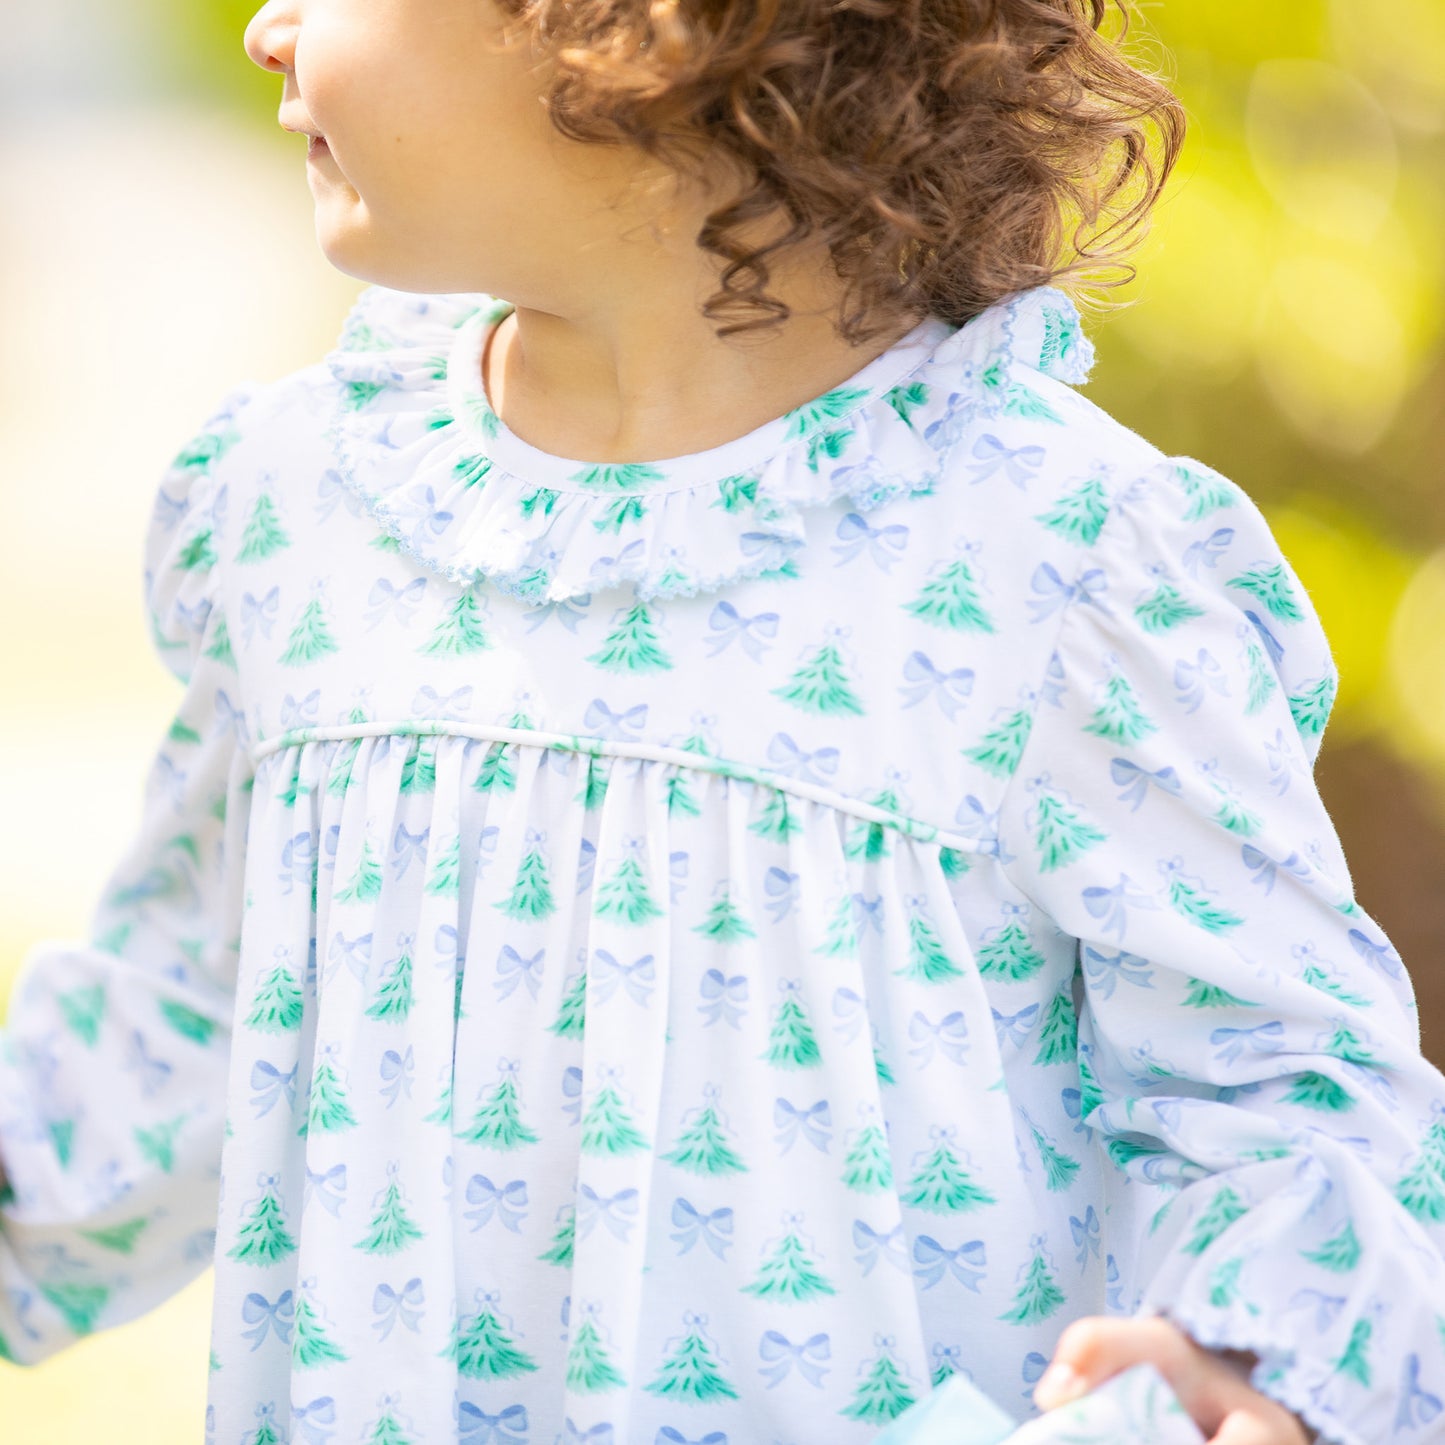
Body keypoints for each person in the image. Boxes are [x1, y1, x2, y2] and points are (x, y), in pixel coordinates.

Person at [1, 0, 1441, 1440]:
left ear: (648, 35)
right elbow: (179, 1018)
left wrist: (1249, 1363)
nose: (271, 27)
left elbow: (1282, 1096)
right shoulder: (294, 503)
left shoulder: (1056, 559)